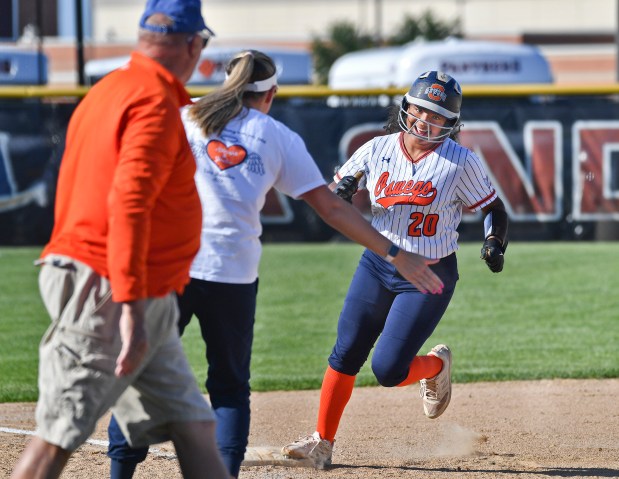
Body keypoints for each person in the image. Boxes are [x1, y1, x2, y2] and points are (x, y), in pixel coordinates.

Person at [105, 51, 446, 478]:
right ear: (271, 95)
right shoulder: (275, 135)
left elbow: (130, 181)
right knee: (228, 387)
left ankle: (120, 473)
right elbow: (332, 209)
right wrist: (395, 253)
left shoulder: (182, 117)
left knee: (143, 371)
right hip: (232, 273)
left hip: (171, 266)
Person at [10, 1, 231, 478]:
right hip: (111, 290)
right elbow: (128, 203)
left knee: (192, 424)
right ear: (194, 44)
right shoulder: (152, 101)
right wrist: (129, 307)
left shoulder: (109, 89)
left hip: (135, 287)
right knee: (58, 435)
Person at [281, 70, 509, 468]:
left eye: (436, 115)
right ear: (407, 107)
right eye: (420, 109)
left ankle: (436, 367)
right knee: (345, 351)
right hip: (378, 263)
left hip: (429, 273)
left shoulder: (459, 161)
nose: (425, 120)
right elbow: (339, 189)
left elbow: (493, 208)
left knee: (387, 369)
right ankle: (322, 441)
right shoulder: (378, 148)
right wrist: (343, 189)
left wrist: (493, 241)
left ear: (450, 124)